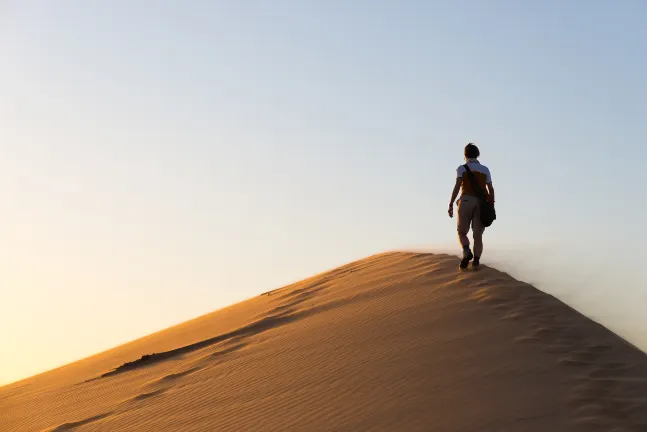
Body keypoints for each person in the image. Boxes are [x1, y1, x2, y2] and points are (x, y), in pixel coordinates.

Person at [448, 143, 495, 269]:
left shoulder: (462, 168)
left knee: (461, 232)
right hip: (481, 203)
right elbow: (491, 189)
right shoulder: (485, 170)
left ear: (465, 155)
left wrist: (451, 203)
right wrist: (491, 205)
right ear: (477, 155)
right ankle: (476, 262)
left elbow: (457, 186)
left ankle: (466, 251)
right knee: (477, 234)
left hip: (466, 201)